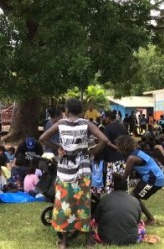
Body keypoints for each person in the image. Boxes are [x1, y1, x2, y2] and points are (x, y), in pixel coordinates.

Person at [39, 98, 109, 249]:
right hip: (83, 169)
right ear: (81, 111)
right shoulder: (87, 124)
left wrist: (58, 146)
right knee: (84, 204)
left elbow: (43, 138)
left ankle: (64, 241)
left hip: (65, 170)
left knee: (65, 204)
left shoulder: (60, 123)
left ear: (67, 110)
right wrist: (91, 152)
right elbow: (104, 140)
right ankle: (89, 240)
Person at [115, 135, 164, 226]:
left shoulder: (132, 158)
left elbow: (124, 178)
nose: (118, 148)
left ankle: (151, 219)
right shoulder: (136, 152)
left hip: (154, 179)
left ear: (123, 146)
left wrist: (113, 174)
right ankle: (138, 216)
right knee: (134, 196)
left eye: (119, 146)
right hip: (153, 177)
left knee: (134, 196)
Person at [94, 173, 142, 245]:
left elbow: (96, 219)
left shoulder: (105, 199)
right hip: (131, 239)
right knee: (142, 223)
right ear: (126, 187)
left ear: (113, 186)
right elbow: (138, 221)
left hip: (105, 238)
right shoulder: (135, 200)